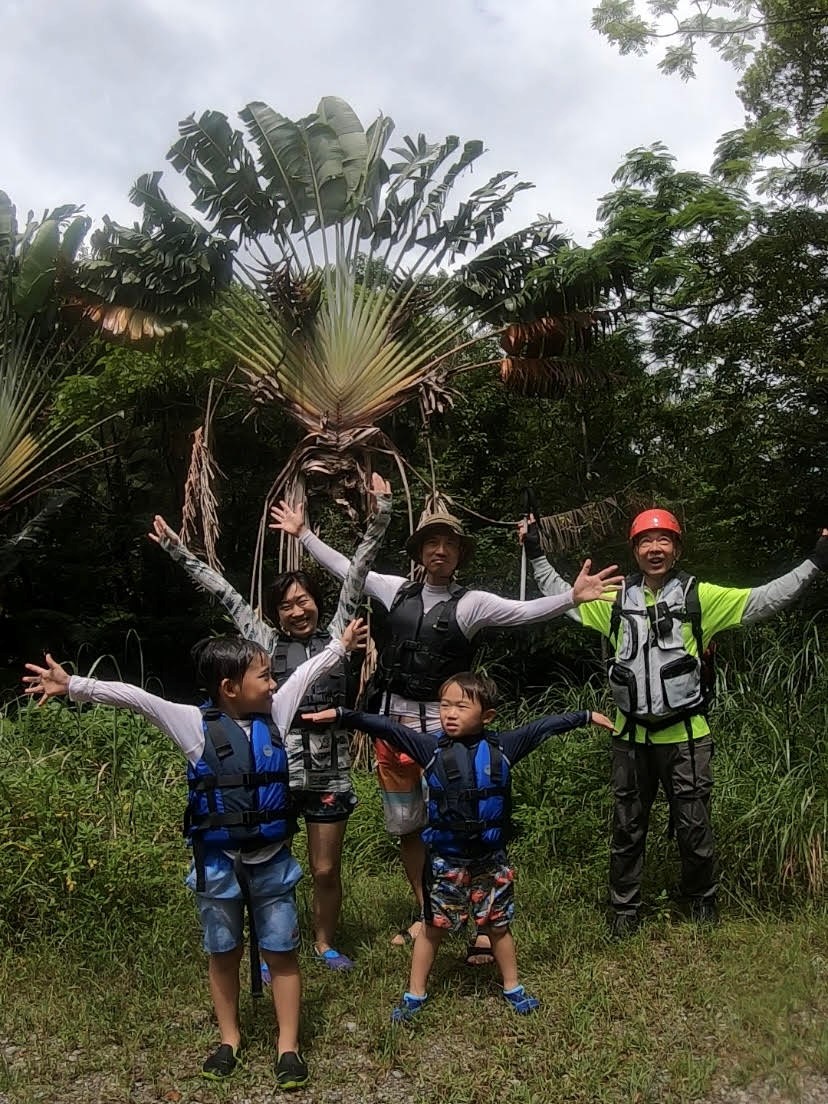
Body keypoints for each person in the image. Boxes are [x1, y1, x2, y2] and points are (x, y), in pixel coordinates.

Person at [23, 619, 368, 1090]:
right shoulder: (194, 725)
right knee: (223, 952)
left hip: (271, 863)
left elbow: (308, 673)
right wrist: (75, 685)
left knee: (282, 952)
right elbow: (137, 698)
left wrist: (341, 647)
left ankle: (288, 1046)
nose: (275, 684)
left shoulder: (276, 714)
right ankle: (230, 1039)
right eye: (264, 676)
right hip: (218, 867)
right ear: (229, 687)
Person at [270, 500, 622, 959]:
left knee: (463, 818)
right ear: (419, 551)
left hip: (445, 727)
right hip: (394, 726)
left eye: (450, 544)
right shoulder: (394, 590)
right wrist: (302, 534)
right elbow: (347, 568)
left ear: (459, 554)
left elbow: (523, 611)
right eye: (432, 542)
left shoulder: (471, 604)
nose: (440, 550)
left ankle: (482, 923)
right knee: (408, 825)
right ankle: (427, 913)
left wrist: (570, 599)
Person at [519, 508, 828, 937]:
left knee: (694, 826)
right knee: (626, 827)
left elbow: (764, 598)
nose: (655, 548)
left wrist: (816, 561)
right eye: (646, 541)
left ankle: (701, 902)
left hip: (686, 736)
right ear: (635, 550)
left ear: (677, 548)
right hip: (629, 737)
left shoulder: (702, 598)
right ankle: (624, 912)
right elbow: (561, 597)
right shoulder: (613, 598)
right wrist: (535, 551)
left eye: (664, 540)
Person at [148, 475, 392, 971]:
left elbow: (358, 572)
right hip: (271, 773)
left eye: (303, 601)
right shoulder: (261, 642)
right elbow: (222, 592)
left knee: (325, 868)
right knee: (261, 870)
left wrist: (382, 511)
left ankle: (324, 941)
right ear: (276, 614)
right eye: (286, 605)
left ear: (316, 603)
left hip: (328, 773)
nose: (297, 610)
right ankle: (272, 946)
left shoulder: (336, 637)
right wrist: (178, 551)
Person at [301, 672, 614, 1021]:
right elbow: (388, 729)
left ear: (487, 716)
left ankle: (513, 986)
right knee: (433, 926)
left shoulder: (503, 748)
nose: (450, 713)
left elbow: (542, 728)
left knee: (498, 925)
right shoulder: (430, 749)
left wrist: (585, 716)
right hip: (446, 862)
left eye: (461, 707)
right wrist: (344, 716)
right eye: (445, 705)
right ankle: (415, 993)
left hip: (490, 861)